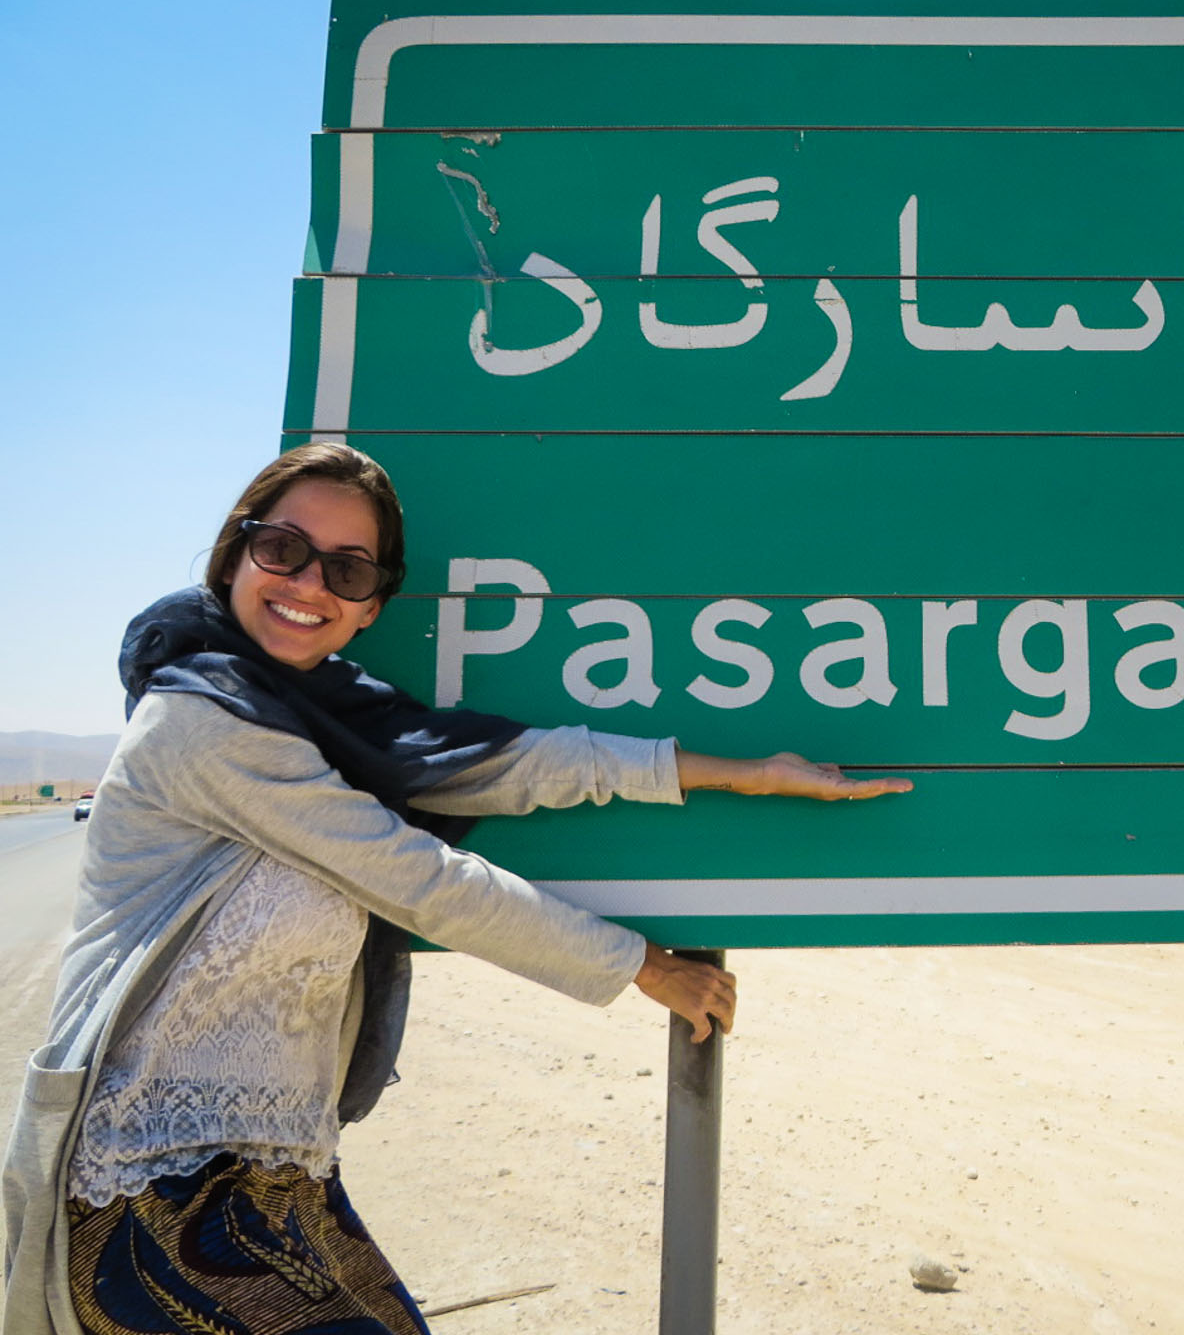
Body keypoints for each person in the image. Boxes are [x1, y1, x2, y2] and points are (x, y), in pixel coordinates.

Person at [2, 442, 909, 1335]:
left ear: (372, 607)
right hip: (144, 1190)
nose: (309, 583)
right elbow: (423, 883)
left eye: (348, 571)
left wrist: (747, 774)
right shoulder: (199, 722)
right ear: (235, 555)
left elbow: (513, 763)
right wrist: (645, 967)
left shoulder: (345, 725)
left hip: (286, 1187)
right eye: (281, 549)